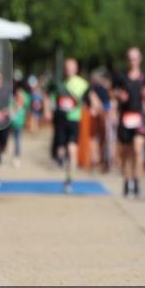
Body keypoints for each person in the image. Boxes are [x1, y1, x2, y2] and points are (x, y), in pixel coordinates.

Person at [113, 47, 145, 198]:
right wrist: (119, 95)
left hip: (139, 117)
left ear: (140, 59)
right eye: (130, 58)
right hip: (125, 117)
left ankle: (136, 183)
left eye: (135, 58)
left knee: (138, 150)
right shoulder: (121, 77)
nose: (132, 61)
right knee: (126, 152)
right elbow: (112, 91)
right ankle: (127, 182)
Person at [53, 58, 89, 193]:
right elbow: (55, 99)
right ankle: (62, 160)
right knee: (61, 151)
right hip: (61, 121)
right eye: (66, 67)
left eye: (71, 67)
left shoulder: (82, 83)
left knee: (72, 150)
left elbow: (87, 98)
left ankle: (69, 180)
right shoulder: (61, 83)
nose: (69, 70)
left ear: (76, 68)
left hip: (74, 120)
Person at [8, 79, 30, 167]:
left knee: (15, 139)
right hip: (16, 120)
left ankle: (15, 157)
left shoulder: (15, 95)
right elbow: (27, 106)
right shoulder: (23, 95)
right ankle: (15, 157)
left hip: (16, 121)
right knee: (16, 139)